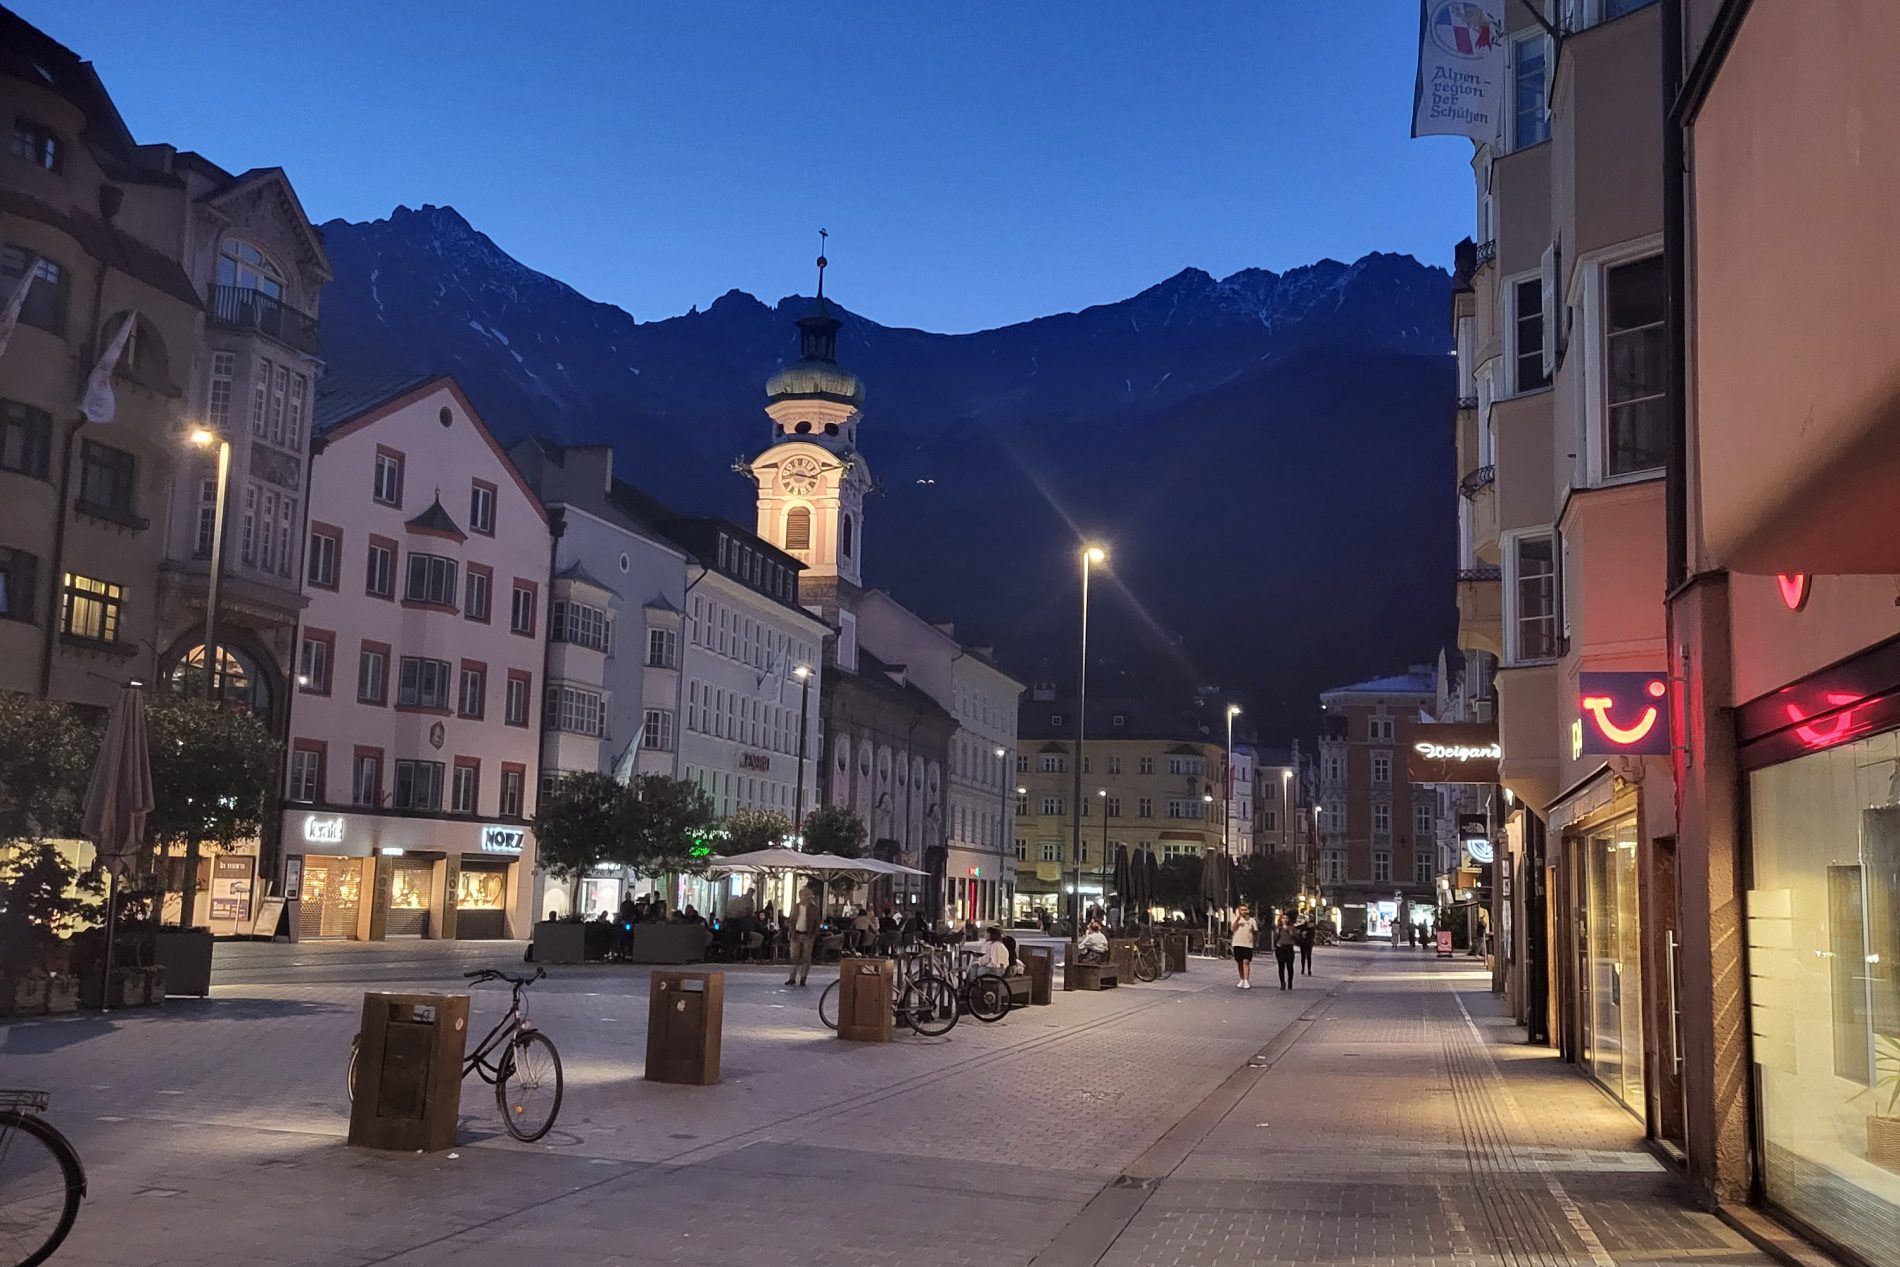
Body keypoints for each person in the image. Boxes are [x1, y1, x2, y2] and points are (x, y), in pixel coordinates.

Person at [786, 883, 820, 986]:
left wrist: (813, 934)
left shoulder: (814, 908)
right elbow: (792, 920)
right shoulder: (796, 907)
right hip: (796, 934)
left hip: (808, 935)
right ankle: (792, 978)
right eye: (804, 895)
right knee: (794, 957)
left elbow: (817, 922)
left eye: (807, 895)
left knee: (806, 957)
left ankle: (803, 978)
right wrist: (791, 932)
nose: (805, 897)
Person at [1230, 905, 1259, 988]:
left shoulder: (1252, 920)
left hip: (1248, 944)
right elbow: (1232, 929)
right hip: (1237, 943)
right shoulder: (1235, 919)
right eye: (1242, 910)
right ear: (1239, 911)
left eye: (1245, 909)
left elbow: (1255, 932)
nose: (1244, 911)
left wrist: (1256, 942)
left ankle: (1246, 980)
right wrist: (1238, 920)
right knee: (1239, 962)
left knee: (1246, 962)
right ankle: (1241, 979)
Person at [1273, 913, 1298, 990]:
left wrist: (1288, 929)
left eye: (1286, 918)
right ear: (1280, 919)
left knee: (1290, 967)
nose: (1285, 919)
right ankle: (1282, 983)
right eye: (1283, 918)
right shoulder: (1278, 927)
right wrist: (1277, 932)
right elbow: (1275, 938)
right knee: (1281, 966)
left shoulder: (1292, 927)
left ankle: (1290, 982)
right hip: (1280, 948)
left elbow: (1294, 936)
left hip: (1289, 948)